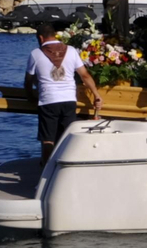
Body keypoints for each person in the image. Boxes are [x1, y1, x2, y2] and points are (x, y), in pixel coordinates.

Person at [26, 23, 104, 163]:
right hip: (69, 100)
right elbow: (84, 76)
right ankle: (66, 164)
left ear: (41, 37)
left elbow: (28, 81)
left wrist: (31, 97)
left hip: (48, 101)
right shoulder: (72, 50)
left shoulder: (35, 54)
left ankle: (46, 169)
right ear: (55, 35)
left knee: (48, 139)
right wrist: (96, 95)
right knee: (67, 136)